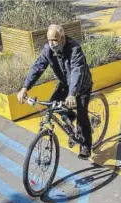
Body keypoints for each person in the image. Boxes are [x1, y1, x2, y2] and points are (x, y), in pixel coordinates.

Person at [17, 24, 93, 159]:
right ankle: (70, 115)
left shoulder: (75, 48)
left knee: (82, 115)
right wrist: (25, 88)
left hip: (81, 86)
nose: (51, 44)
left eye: (54, 40)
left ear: (62, 38)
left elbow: (77, 71)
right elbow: (38, 67)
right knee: (52, 105)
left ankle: (86, 145)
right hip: (65, 83)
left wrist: (72, 94)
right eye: (49, 40)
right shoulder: (48, 50)